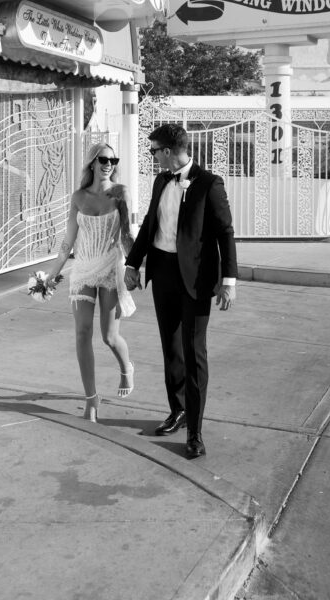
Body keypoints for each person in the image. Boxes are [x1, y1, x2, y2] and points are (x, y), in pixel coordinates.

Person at [124, 123, 237, 459]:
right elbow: (149, 223)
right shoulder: (161, 181)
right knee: (171, 349)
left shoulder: (209, 184)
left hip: (196, 280)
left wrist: (228, 281)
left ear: (170, 151)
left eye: (154, 150)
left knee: (194, 351)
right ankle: (178, 410)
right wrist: (133, 264)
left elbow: (226, 233)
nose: (152, 156)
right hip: (163, 272)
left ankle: (196, 432)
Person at [45, 141, 136, 422]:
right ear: (93, 163)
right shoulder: (78, 197)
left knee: (109, 336)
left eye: (113, 160)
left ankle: (126, 368)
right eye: (104, 159)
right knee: (82, 333)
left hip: (110, 267)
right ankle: (91, 399)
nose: (109, 164)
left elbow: (126, 235)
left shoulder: (121, 194)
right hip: (83, 269)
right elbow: (67, 242)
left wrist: (135, 266)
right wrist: (52, 274)